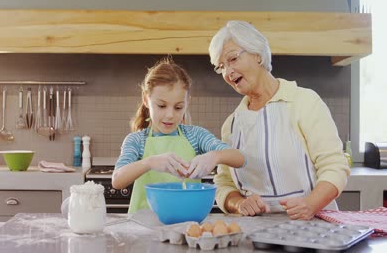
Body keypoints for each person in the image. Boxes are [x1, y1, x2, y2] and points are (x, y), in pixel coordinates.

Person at [208, 21, 351, 220]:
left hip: (315, 227)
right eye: (221, 67)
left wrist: (310, 205)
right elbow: (224, 183)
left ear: (257, 54)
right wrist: (239, 203)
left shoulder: (303, 102)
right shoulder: (232, 125)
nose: (228, 72)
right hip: (255, 234)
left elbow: (335, 166)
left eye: (232, 59)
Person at [111, 57, 245, 214]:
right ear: (146, 100)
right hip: (145, 228)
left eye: (178, 107)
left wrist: (214, 156)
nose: (170, 115)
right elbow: (117, 180)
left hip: (187, 226)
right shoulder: (137, 140)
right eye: (161, 106)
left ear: (187, 102)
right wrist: (149, 163)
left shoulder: (195, 136)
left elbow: (240, 158)